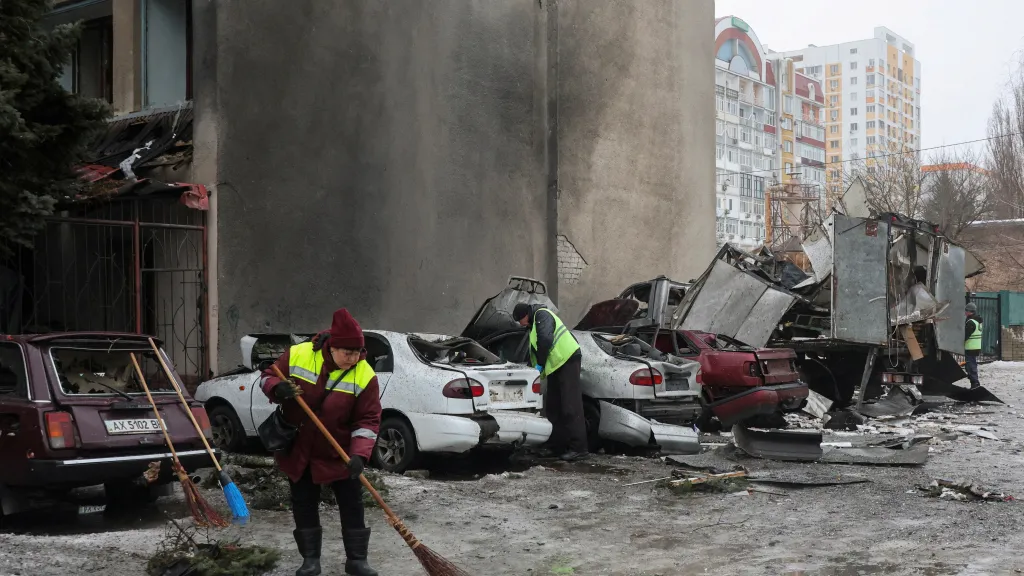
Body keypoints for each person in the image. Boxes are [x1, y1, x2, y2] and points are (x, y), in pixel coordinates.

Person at [262, 308, 381, 576]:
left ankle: (357, 560)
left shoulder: (364, 374)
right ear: (332, 346)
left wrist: (359, 455)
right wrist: (276, 388)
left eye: (357, 353)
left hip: (339, 451)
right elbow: (268, 377)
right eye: (346, 353)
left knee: (352, 503)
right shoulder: (299, 354)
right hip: (300, 447)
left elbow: (368, 420)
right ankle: (310, 560)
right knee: (304, 502)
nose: (352, 359)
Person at [513, 302, 588, 462]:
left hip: (568, 360)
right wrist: (532, 367)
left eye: (520, 320)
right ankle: (555, 446)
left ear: (525, 315)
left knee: (570, 405)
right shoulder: (533, 324)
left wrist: (540, 363)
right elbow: (534, 349)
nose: (520, 324)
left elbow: (545, 340)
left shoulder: (542, 315)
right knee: (554, 407)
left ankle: (579, 449)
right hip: (556, 365)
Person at [964, 302, 983, 389]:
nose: (965, 312)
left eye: (966, 310)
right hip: (976, 346)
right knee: (971, 365)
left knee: (970, 366)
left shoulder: (971, 322)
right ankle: (974, 383)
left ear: (969, 311)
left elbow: (965, 335)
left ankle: (975, 383)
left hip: (970, 347)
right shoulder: (977, 320)